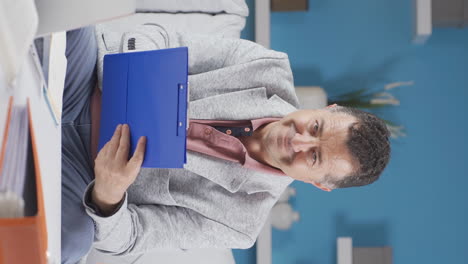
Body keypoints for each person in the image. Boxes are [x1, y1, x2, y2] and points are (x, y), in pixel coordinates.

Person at [61, 25, 390, 263]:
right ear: (326, 109)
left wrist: (109, 194)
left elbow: (130, 238)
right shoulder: (265, 65)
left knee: (71, 246)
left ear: (319, 184)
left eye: (314, 157)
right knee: (70, 24)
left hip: (83, 172)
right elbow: (159, 38)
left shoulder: (240, 224)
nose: (298, 139)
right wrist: (135, 82)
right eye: (315, 126)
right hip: (89, 82)